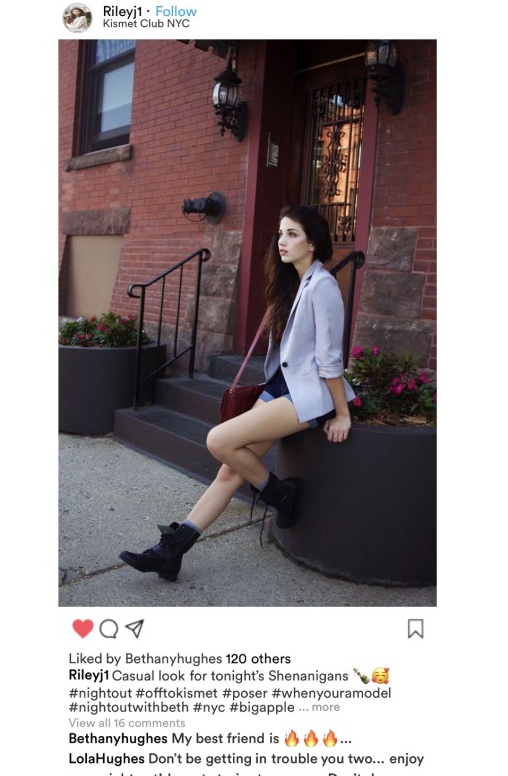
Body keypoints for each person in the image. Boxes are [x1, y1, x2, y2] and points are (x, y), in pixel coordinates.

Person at [119, 204, 356, 582]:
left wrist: (342, 413)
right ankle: (171, 551)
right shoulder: (293, 282)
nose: (282, 241)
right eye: (280, 233)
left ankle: (280, 495)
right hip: (281, 387)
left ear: (313, 242)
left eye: (293, 234)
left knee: (219, 440)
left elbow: (330, 358)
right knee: (230, 471)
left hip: (308, 394)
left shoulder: (322, 285)